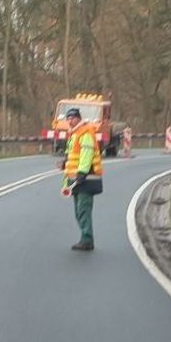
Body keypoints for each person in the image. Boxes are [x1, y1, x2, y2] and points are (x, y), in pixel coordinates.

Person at [61, 107, 103, 250]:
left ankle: (87, 239)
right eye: (68, 118)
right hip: (76, 180)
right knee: (79, 211)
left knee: (83, 209)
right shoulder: (73, 134)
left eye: (72, 118)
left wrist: (82, 172)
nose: (70, 121)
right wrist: (64, 164)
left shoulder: (85, 132)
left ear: (79, 118)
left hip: (86, 179)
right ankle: (85, 238)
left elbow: (87, 153)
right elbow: (73, 156)